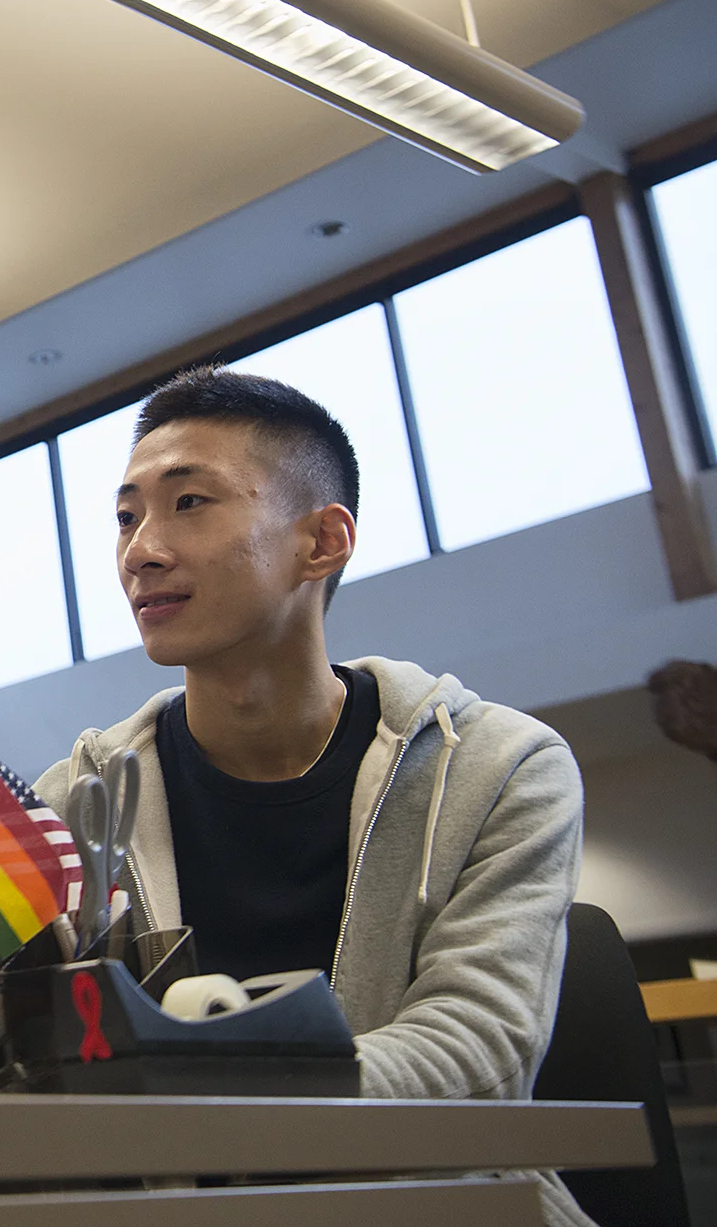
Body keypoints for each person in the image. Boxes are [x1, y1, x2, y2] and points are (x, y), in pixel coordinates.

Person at [34, 366, 589, 1226]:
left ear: (321, 543)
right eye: (124, 515)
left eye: (188, 503)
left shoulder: (500, 766)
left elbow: (480, 1051)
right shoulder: (73, 802)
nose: (140, 549)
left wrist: (223, 1105)